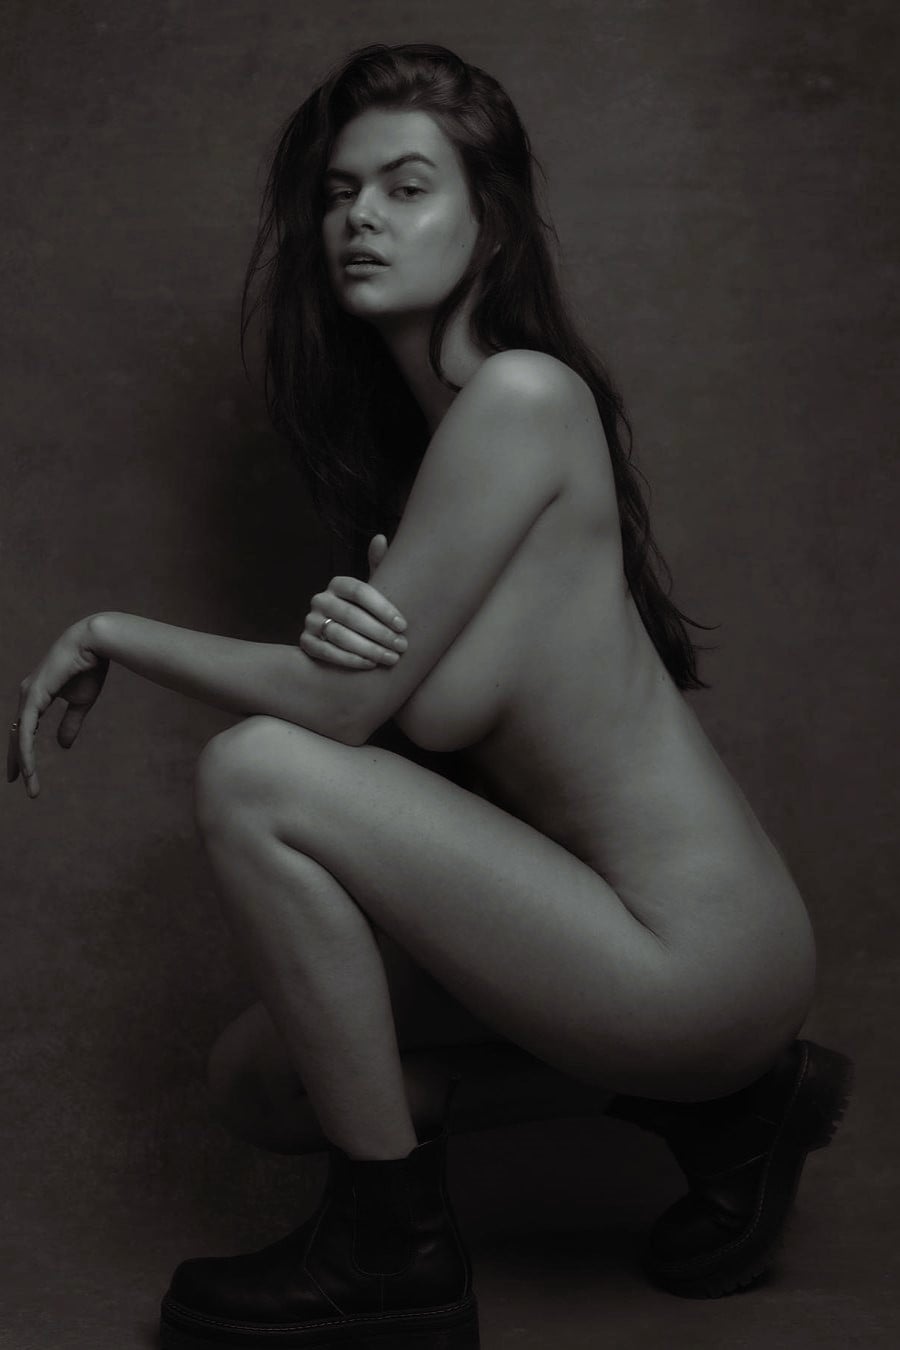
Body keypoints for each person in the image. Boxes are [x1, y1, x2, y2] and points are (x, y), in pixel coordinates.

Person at [7, 42, 851, 1350]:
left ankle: (394, 1259)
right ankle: (728, 1110)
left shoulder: (522, 398)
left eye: (407, 187)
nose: (362, 220)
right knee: (270, 1079)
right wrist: (363, 650)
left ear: (489, 221)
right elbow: (399, 722)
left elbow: (333, 718)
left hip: (697, 954)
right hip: (605, 939)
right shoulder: (434, 462)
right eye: (341, 194)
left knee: (253, 769)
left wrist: (110, 631)